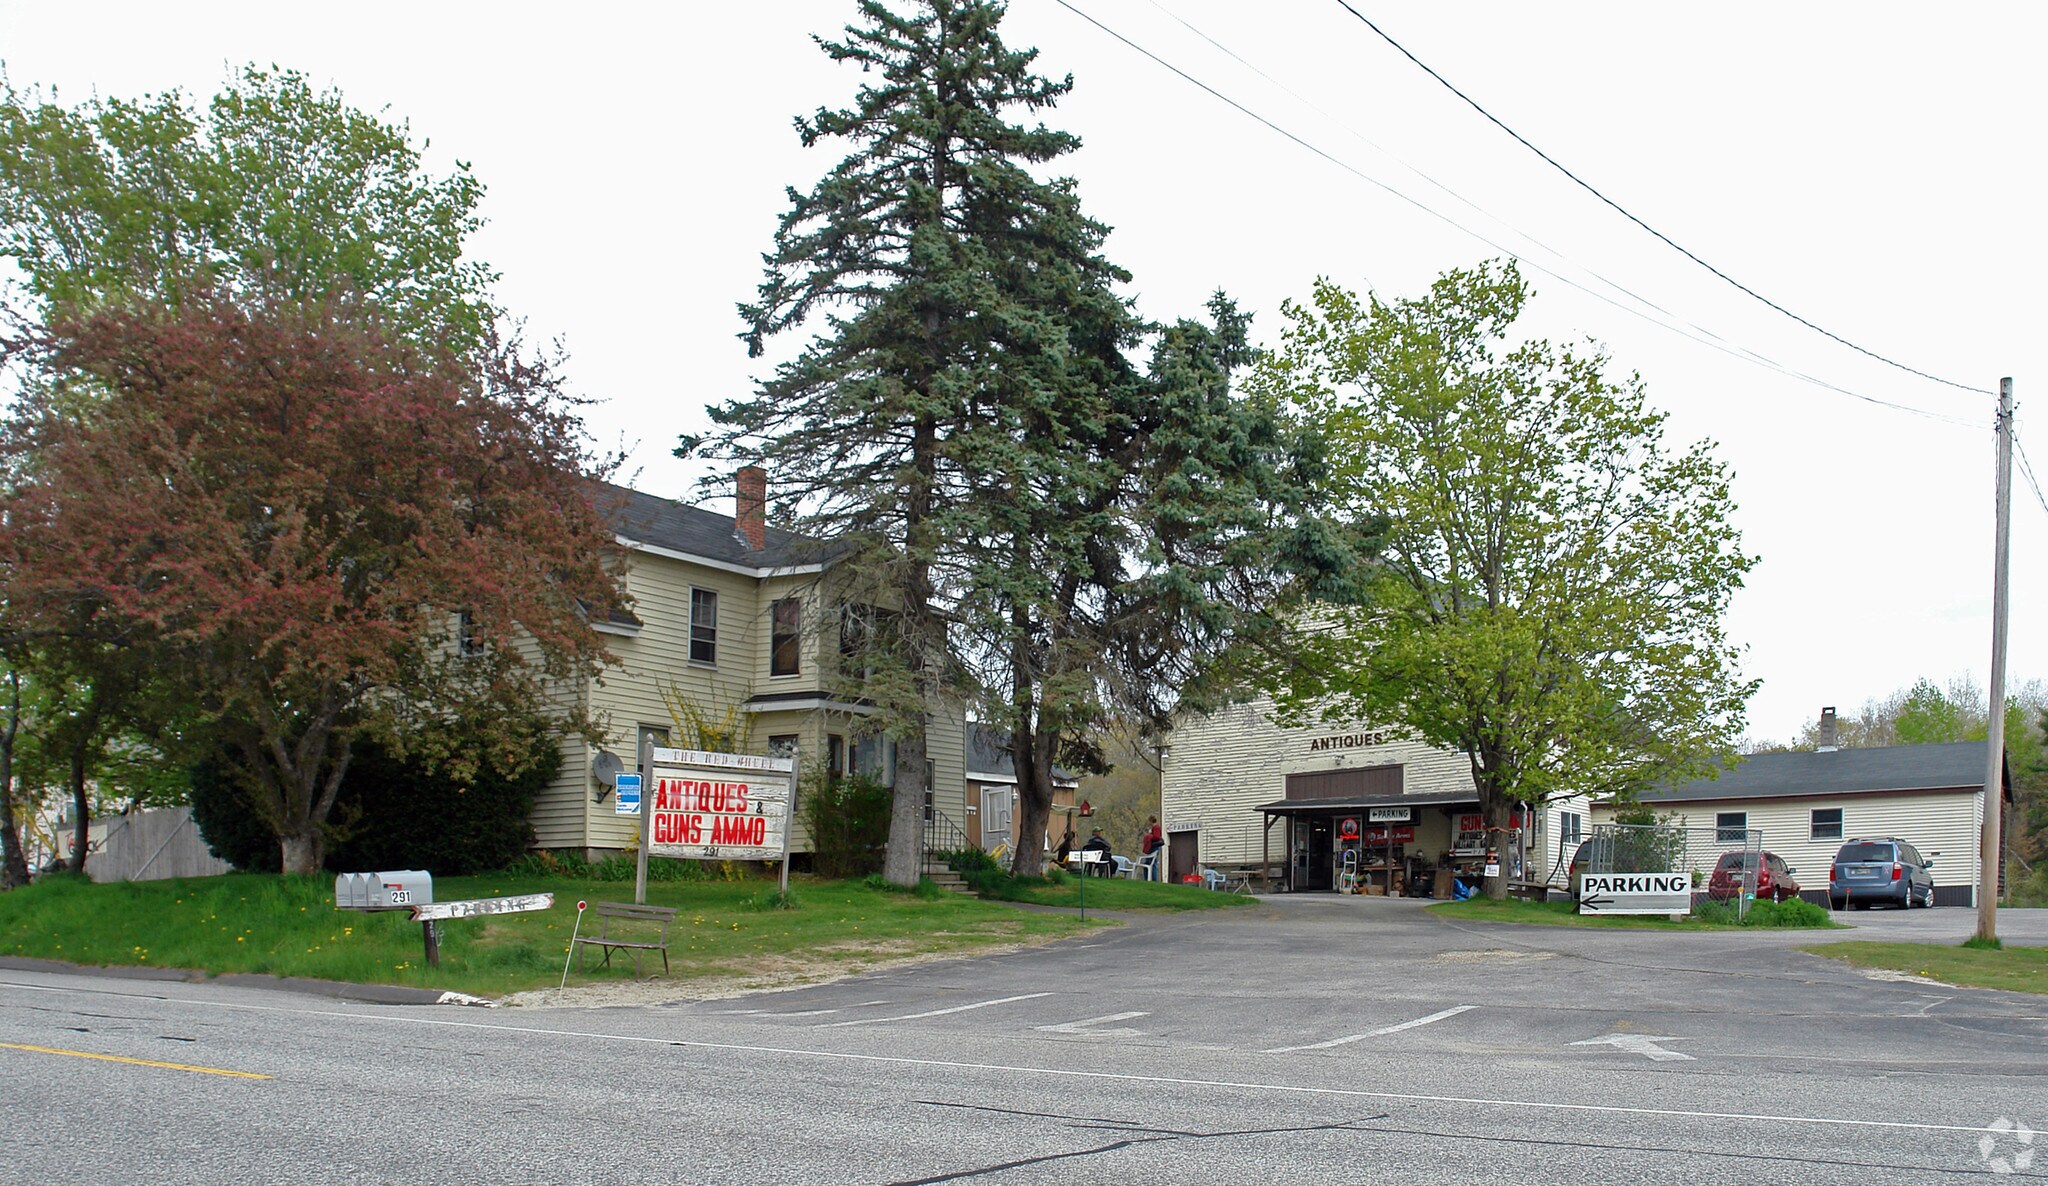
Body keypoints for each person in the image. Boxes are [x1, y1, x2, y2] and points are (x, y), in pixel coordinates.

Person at [1139, 816, 1164, 880]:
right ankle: (1147, 878)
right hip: (1152, 848)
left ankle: (1154, 879)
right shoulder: (1154, 828)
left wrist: (1149, 836)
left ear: (1151, 821)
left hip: (1154, 848)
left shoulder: (1156, 827)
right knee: (1147, 864)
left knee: (1153, 864)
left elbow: (1156, 837)